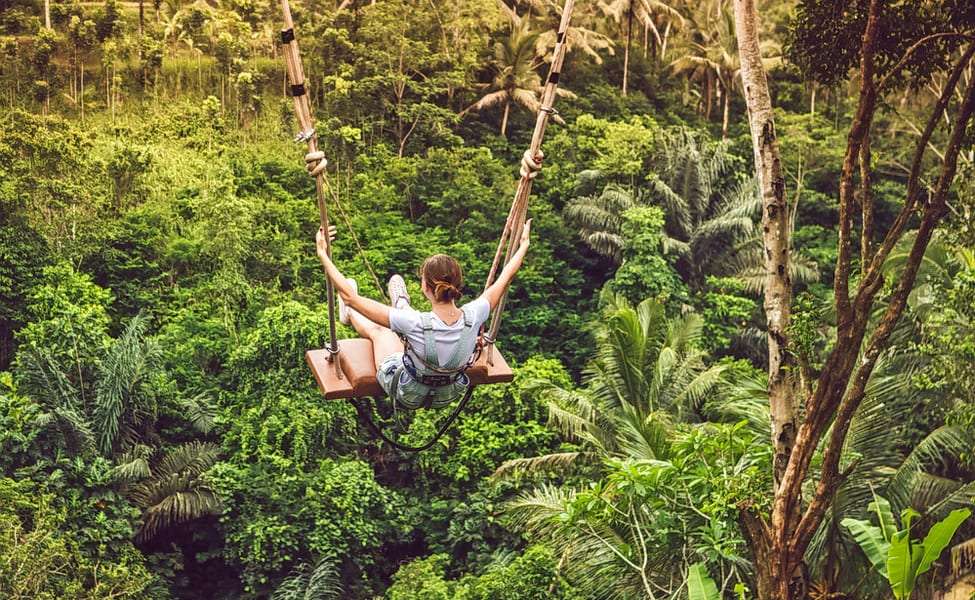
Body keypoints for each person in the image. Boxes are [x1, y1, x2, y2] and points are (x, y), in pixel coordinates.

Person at [312, 151, 541, 409]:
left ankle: (375, 309)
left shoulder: (414, 324)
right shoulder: (475, 314)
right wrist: (523, 246)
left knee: (381, 331)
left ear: (425, 287)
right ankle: (400, 302)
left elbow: (350, 297)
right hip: (446, 395)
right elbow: (506, 275)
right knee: (403, 328)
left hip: (407, 391)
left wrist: (323, 254)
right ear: (457, 285)